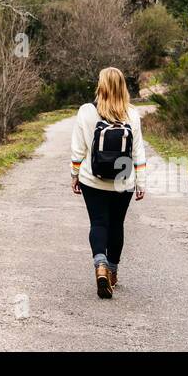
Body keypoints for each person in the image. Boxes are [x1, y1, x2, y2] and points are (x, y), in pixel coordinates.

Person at [71, 67, 146, 299]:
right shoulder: (131, 114)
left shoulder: (86, 111)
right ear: (123, 87)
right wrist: (140, 182)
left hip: (92, 180)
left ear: (100, 86)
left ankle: (100, 264)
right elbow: (137, 151)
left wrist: (75, 174)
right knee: (117, 225)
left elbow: (78, 148)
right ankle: (112, 273)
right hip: (123, 183)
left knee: (98, 222)